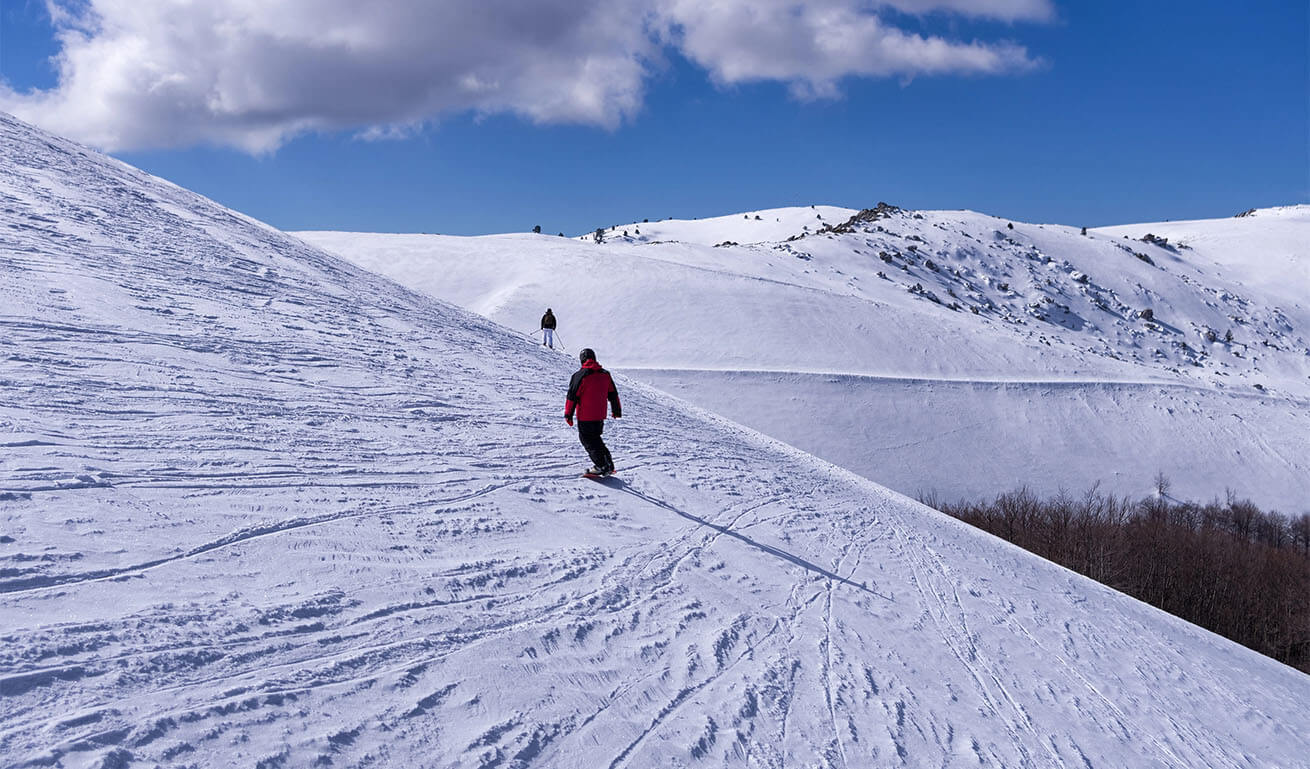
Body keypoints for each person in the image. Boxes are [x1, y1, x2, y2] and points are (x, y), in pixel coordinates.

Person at [564, 348, 620, 475]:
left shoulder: (580, 375)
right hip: (600, 416)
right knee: (596, 439)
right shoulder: (605, 374)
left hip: (585, 415)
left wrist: (568, 414)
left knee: (588, 440)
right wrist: (616, 410)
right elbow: (613, 393)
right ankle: (608, 464)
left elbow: (572, 396)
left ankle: (601, 466)